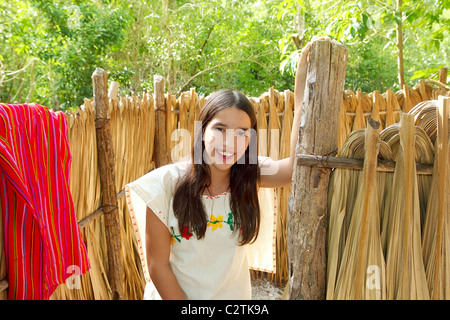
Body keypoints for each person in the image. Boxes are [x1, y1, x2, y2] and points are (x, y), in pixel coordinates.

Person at [125, 39, 322, 300]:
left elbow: (294, 167)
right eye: (220, 129)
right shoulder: (164, 185)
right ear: (202, 131)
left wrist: (300, 89)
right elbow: (157, 266)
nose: (230, 142)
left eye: (242, 132)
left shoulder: (251, 174)